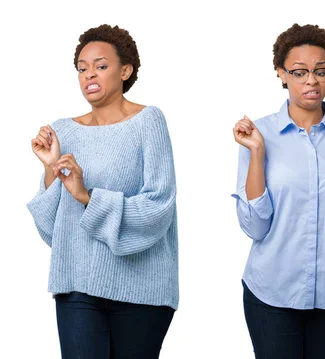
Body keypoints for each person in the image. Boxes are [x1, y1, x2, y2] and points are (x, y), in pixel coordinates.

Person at [232, 23, 325, 359]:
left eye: (320, 71)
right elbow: (254, 227)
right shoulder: (258, 135)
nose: (311, 81)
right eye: (299, 72)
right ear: (281, 74)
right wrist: (257, 154)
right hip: (272, 291)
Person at [27, 24, 178, 358]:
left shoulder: (148, 121)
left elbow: (158, 206)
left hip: (142, 289)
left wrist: (86, 195)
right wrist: (50, 169)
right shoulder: (63, 130)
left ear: (126, 70)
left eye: (100, 65)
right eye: (82, 68)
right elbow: (56, 232)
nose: (88, 75)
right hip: (77, 284)